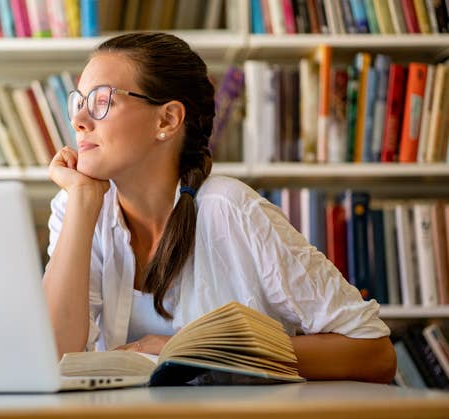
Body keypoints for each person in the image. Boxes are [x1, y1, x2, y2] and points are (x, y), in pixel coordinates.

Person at [42, 32, 396, 383]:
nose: (79, 121)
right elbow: (51, 356)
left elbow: (374, 353)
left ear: (166, 120)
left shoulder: (230, 209)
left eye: (102, 100)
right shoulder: (77, 206)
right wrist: (83, 203)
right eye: (79, 102)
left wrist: (186, 353)